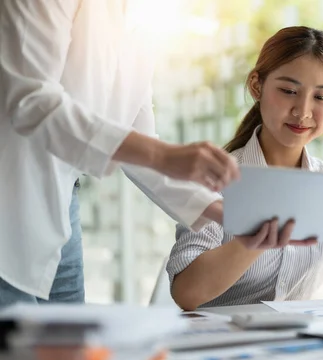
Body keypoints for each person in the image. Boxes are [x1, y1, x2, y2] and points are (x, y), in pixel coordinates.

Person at [166, 26, 323, 311]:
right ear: (257, 86)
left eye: (321, 97)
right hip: (216, 345)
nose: (303, 111)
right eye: (289, 91)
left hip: (296, 346)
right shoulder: (216, 178)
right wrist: (259, 239)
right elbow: (186, 293)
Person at [0, 1, 239, 306]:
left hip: (60, 206)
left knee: (71, 348)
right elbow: (31, 101)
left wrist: (229, 212)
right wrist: (163, 155)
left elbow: (138, 139)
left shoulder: (141, 24)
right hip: (8, 201)